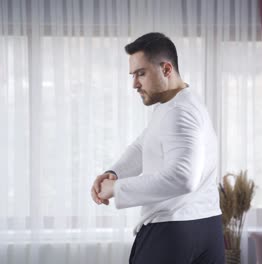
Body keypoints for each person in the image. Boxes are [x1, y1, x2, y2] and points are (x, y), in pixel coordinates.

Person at [90, 32, 224, 264]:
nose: (134, 84)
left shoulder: (179, 112)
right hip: (206, 226)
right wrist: (115, 172)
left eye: (141, 74)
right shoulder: (175, 103)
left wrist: (117, 188)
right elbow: (144, 145)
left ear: (166, 69)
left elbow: (183, 178)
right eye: (133, 75)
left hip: (173, 232)